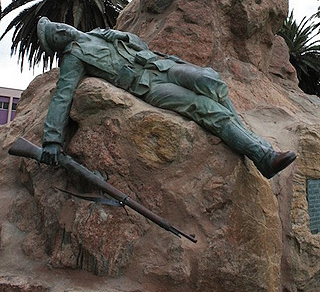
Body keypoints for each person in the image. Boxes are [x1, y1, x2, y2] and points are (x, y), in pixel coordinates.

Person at [38, 17, 296, 178]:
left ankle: (260, 148)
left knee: (209, 79)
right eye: (56, 36)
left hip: (160, 65)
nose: (62, 31)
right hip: (147, 86)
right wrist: (51, 141)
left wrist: (122, 35)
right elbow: (62, 96)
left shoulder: (97, 34)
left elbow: (140, 45)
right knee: (203, 106)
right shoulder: (73, 57)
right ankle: (263, 156)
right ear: (59, 45)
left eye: (59, 26)